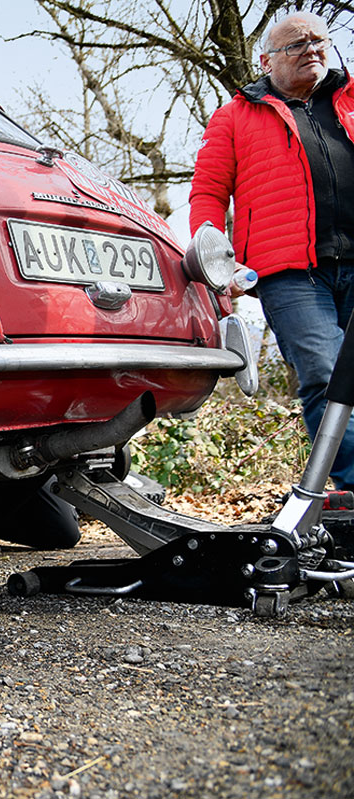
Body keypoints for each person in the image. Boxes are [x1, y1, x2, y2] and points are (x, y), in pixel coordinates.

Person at [189, 11, 354, 490]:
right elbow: (208, 193)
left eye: (319, 40)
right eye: (296, 44)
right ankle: (348, 490)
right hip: (290, 273)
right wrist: (213, 263)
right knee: (325, 373)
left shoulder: (349, 99)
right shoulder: (234, 115)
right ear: (266, 60)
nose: (312, 49)